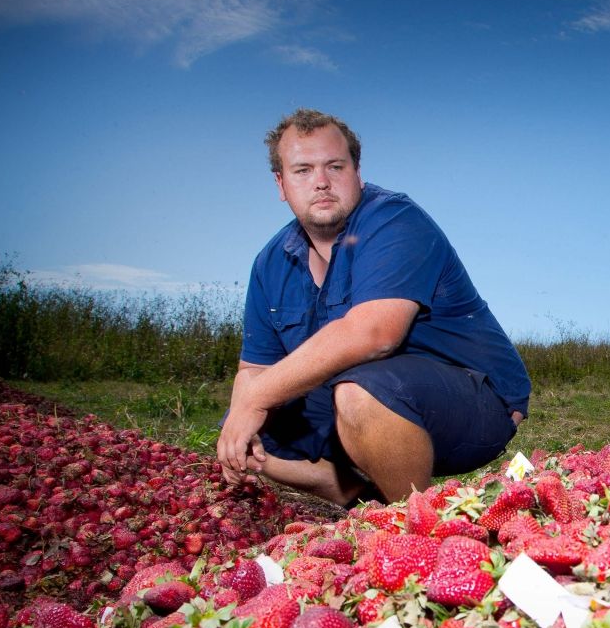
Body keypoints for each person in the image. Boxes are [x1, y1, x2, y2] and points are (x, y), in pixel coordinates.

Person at [217, 108, 530, 505]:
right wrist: (243, 410)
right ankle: (363, 501)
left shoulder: (395, 221)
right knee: (241, 432)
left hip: (474, 401)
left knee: (360, 393)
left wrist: (256, 397)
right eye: (303, 170)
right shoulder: (270, 262)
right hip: (367, 401)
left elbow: (376, 334)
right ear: (281, 183)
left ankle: (416, 521)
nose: (321, 182)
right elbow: (254, 369)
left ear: (357, 172)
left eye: (335, 166)